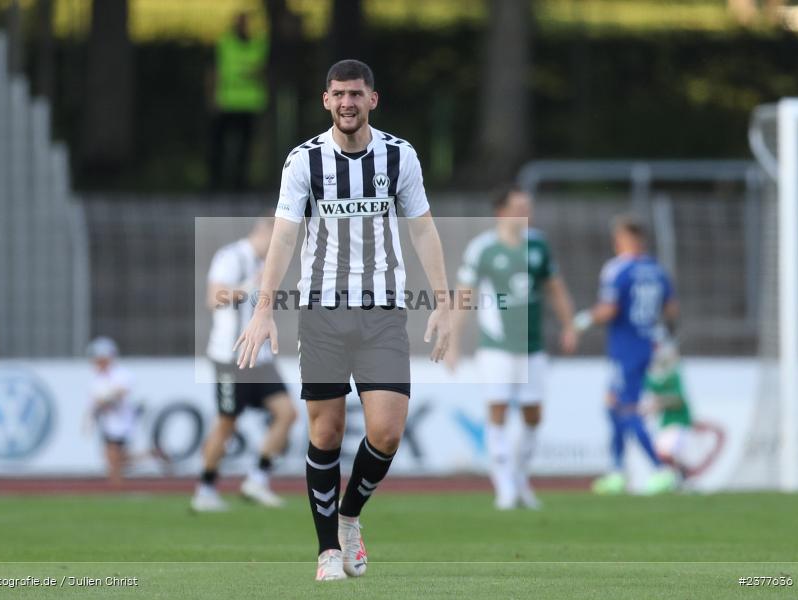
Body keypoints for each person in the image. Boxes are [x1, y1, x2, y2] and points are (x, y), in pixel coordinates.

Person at [234, 59, 452, 581]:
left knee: (386, 431)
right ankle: (327, 549)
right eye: (338, 94)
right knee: (326, 432)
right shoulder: (303, 162)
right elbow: (284, 236)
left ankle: (349, 516)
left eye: (356, 93)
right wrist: (264, 307)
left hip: (382, 312)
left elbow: (422, 229)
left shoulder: (400, 157)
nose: (347, 102)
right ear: (326, 100)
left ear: (373, 99)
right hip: (323, 315)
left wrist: (444, 299)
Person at [447, 186, 578, 510]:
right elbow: (465, 294)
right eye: (519, 206)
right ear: (501, 212)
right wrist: (452, 341)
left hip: (532, 346)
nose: (525, 213)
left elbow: (555, 287)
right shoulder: (484, 249)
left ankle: (520, 477)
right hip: (496, 347)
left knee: (533, 415)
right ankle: (503, 484)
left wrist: (569, 324)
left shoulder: (539, 244)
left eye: (528, 206)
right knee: (499, 410)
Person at [191, 217, 298, 512]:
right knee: (227, 423)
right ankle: (206, 487)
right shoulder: (231, 257)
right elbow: (213, 299)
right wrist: (247, 287)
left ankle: (257, 479)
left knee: (288, 413)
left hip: (260, 357)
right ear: (263, 231)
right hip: (230, 358)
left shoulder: (269, 263)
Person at [573, 216, 679, 495]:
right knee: (612, 404)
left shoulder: (617, 269)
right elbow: (671, 311)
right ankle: (617, 472)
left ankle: (661, 470)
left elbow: (609, 310)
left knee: (628, 408)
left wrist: (581, 322)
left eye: (617, 238)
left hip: (626, 348)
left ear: (625, 239)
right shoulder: (656, 269)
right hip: (649, 345)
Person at [641, 340, 725, 485]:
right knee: (665, 454)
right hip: (666, 424)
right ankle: (680, 479)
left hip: (679, 423)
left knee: (663, 452)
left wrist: (657, 405)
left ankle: (678, 479)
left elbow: (678, 399)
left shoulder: (674, 375)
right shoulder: (654, 378)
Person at [86, 337, 165, 486]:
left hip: (121, 422)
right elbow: (94, 403)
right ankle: (150, 455)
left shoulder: (121, 374)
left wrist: (105, 399)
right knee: (116, 458)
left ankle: (116, 488)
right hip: (107, 422)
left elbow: (121, 391)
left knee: (113, 457)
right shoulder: (96, 379)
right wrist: (89, 420)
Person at [206, 12, 269, 190]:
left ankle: (240, 184)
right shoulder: (225, 43)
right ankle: (216, 183)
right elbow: (214, 71)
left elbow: (264, 70)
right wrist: (212, 97)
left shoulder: (259, 43)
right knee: (219, 145)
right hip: (226, 102)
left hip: (250, 103)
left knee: (245, 148)